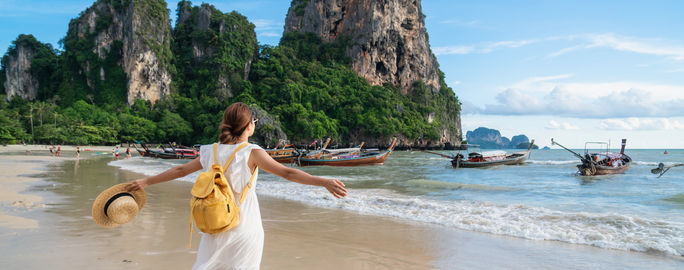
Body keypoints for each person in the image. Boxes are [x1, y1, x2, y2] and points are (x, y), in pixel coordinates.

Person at [126, 102, 346, 269]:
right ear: (249, 126)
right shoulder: (252, 152)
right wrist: (323, 181)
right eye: (254, 123)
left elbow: (180, 170)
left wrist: (146, 181)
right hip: (244, 226)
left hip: (215, 223)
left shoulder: (210, 151)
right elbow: (287, 172)